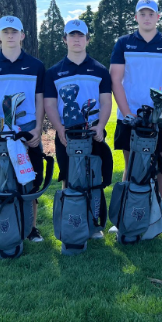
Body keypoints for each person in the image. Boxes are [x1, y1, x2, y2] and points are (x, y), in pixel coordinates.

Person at [108, 0, 162, 235]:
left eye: (151, 14)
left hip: (160, 118)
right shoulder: (123, 43)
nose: (147, 17)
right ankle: (127, 213)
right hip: (130, 117)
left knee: (161, 165)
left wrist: (160, 110)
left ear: (158, 17)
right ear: (136, 17)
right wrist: (128, 113)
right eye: (143, 14)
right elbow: (115, 79)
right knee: (130, 165)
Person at [0, 15, 46, 242]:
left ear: (23, 35)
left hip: (27, 130)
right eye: (5, 32)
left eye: (15, 32)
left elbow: (41, 100)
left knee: (29, 182)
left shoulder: (36, 66)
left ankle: (30, 228)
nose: (10, 35)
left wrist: (38, 129)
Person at [43, 19, 113, 239]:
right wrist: (59, 129)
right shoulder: (54, 72)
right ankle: (72, 221)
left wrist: (101, 126)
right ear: (64, 39)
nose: (76, 39)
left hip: (93, 132)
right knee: (68, 176)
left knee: (93, 175)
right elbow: (50, 105)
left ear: (87, 39)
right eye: (71, 35)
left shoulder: (99, 69)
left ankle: (94, 223)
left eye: (80, 35)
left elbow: (106, 102)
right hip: (67, 133)